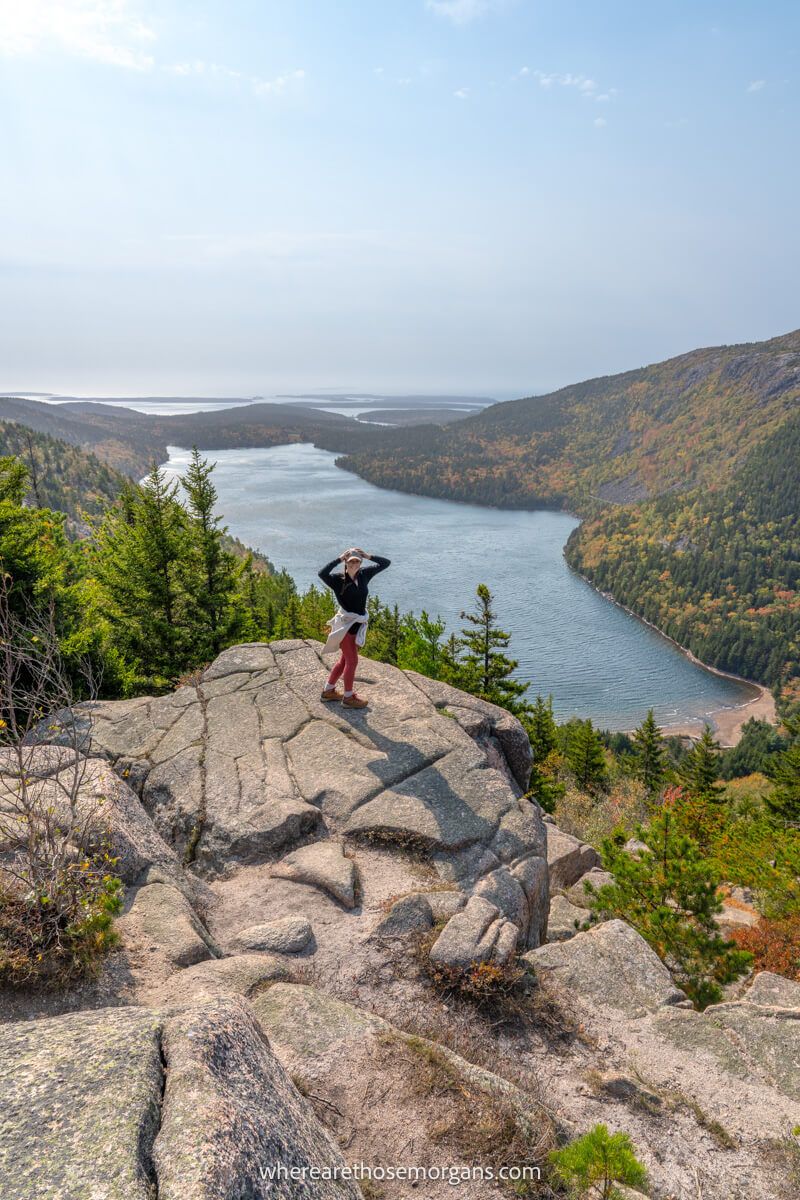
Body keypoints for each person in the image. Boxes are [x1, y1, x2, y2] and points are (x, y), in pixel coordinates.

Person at [318, 546, 391, 708]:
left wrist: (368, 555)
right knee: (352, 661)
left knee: (344, 660)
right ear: (346, 562)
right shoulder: (338, 580)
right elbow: (322, 573)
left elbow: (386, 563)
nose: (354, 564)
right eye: (351, 561)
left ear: (360, 562)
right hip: (345, 625)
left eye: (357, 561)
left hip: (357, 624)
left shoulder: (364, 575)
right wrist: (338, 558)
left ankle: (328, 691)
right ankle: (348, 697)